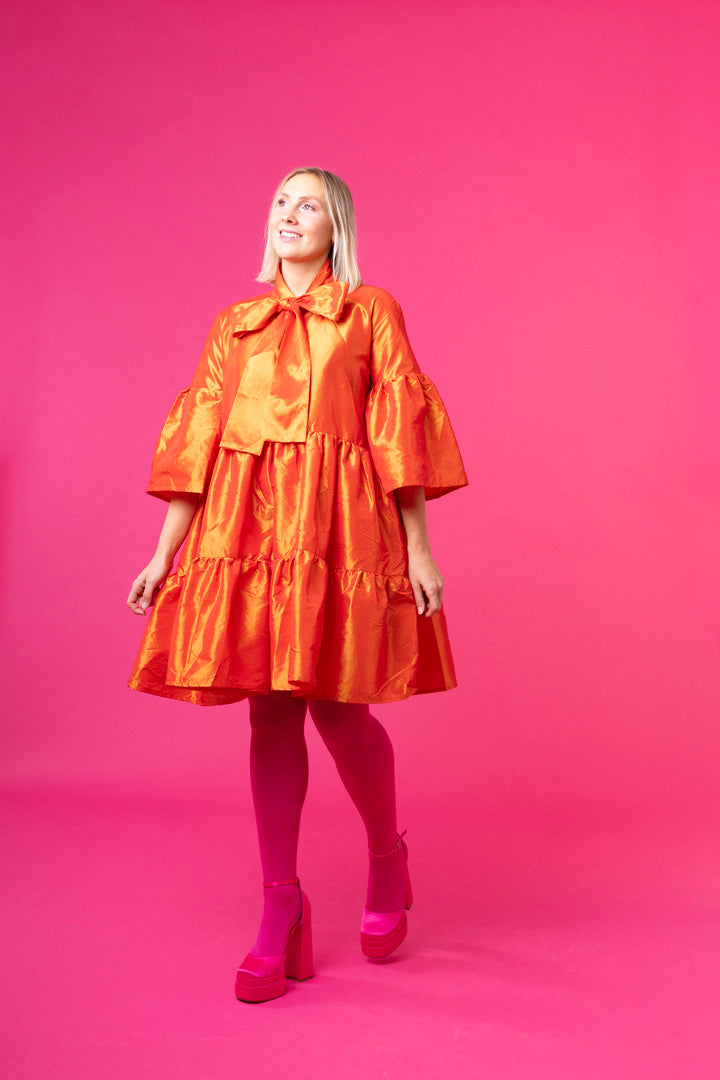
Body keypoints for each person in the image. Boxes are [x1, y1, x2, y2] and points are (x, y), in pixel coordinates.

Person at [127, 167, 468, 1003]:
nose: (289, 213)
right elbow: (199, 444)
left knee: (339, 710)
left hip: (338, 526)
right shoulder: (233, 324)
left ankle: (386, 856)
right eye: (281, 201)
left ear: (336, 226)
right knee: (269, 709)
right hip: (246, 529)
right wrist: (164, 554)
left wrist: (421, 550)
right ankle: (281, 907)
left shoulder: (371, 312)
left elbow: (399, 433)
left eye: (308, 204)